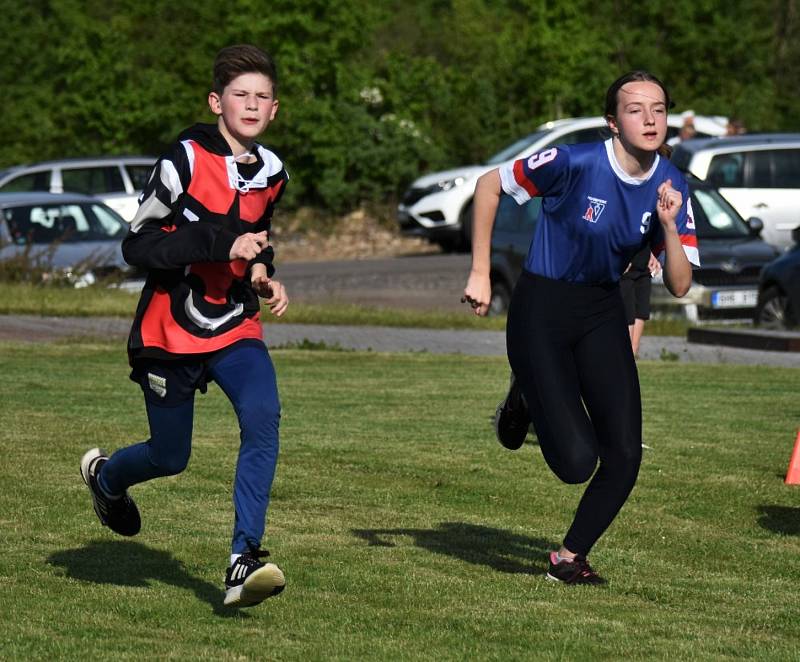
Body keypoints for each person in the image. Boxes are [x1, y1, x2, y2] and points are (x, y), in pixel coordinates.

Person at [463, 71, 697, 584]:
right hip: (541, 307)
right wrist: (480, 271)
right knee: (575, 463)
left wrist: (668, 227)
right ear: (613, 122)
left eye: (659, 108)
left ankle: (569, 558)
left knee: (625, 454)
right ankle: (522, 395)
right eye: (636, 109)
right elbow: (488, 186)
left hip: (602, 310)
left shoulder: (672, 184)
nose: (650, 118)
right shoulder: (575, 161)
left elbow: (680, 285)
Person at [80, 44, 290, 608]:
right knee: (171, 457)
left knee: (263, 416)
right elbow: (138, 244)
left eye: (261, 96)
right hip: (169, 328)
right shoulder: (185, 158)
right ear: (216, 102)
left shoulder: (272, 171)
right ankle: (106, 479)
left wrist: (266, 272)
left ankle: (243, 558)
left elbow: (260, 234)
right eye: (240, 95)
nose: (251, 104)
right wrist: (225, 244)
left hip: (235, 322)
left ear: (274, 109)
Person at [620, 246, 662, 357]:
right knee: (626, 323)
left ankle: (628, 372)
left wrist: (654, 252)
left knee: (634, 347)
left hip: (644, 266)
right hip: (624, 270)